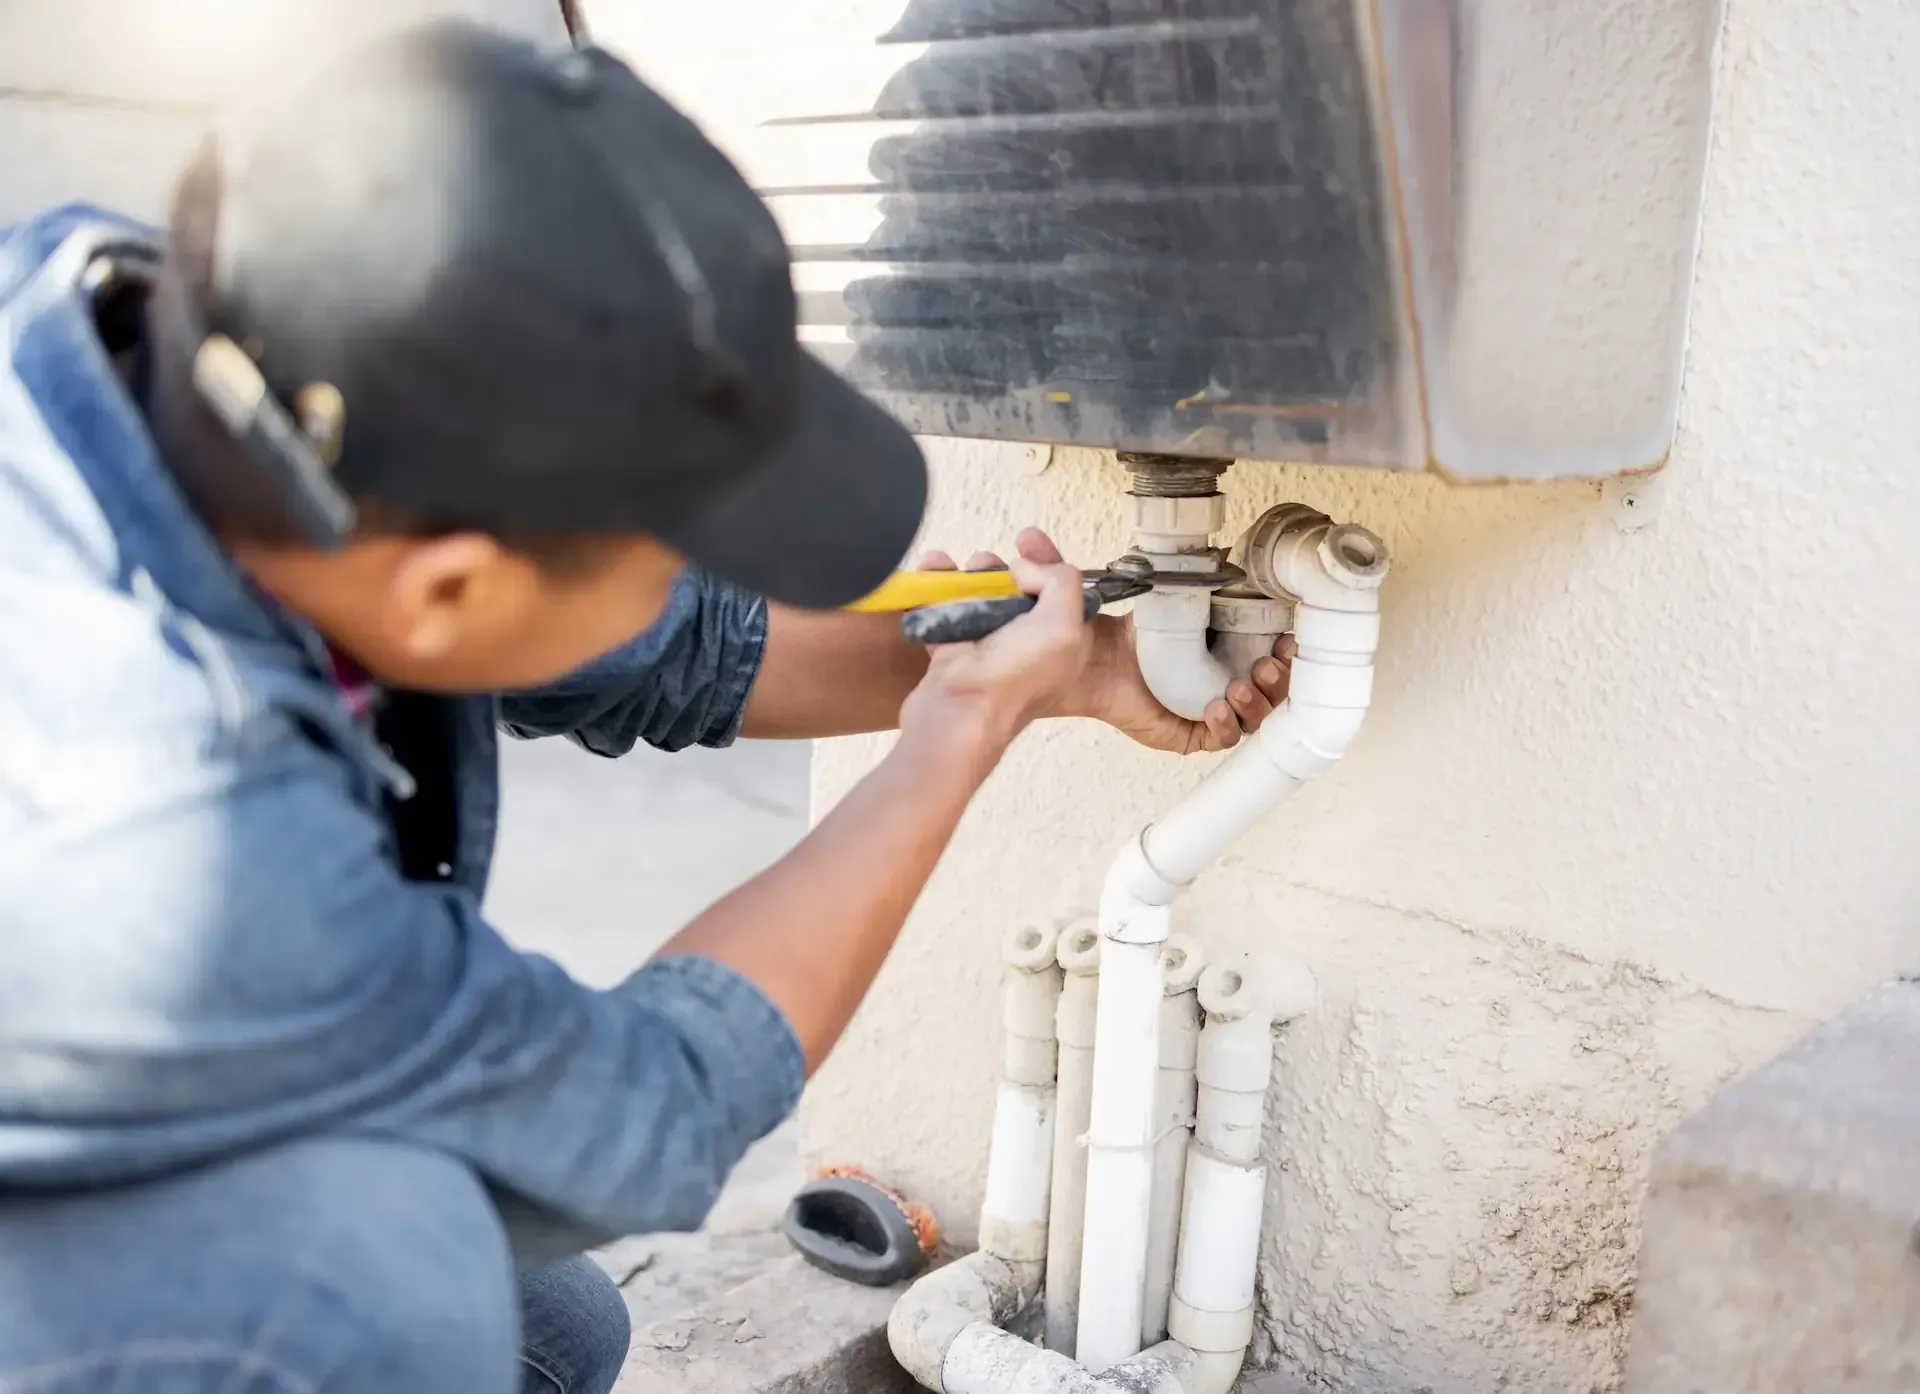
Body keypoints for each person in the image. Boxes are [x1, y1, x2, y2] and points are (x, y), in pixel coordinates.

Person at [0, 20, 1292, 1394]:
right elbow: (632, 1111)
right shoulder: (147, 831)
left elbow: (644, 646)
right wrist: (948, 747)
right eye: (673, 539)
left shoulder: (202, 357)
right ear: (447, 587)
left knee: (549, 1328)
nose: (706, 567)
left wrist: (1053, 671)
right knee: (393, 1294)